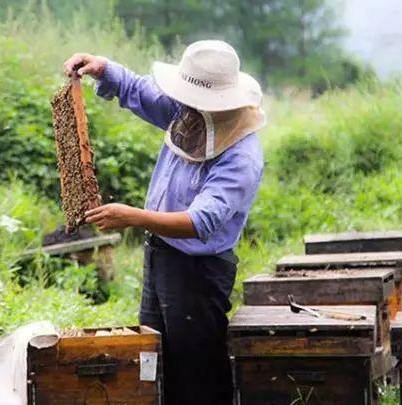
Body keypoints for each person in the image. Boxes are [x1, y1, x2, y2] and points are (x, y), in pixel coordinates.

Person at [64, 40, 265, 404]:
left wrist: (133, 217)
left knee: (198, 371)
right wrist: (103, 67)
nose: (182, 104)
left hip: (199, 272)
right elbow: (142, 91)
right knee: (154, 357)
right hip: (161, 256)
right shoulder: (190, 113)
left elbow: (201, 221)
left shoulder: (241, 157)